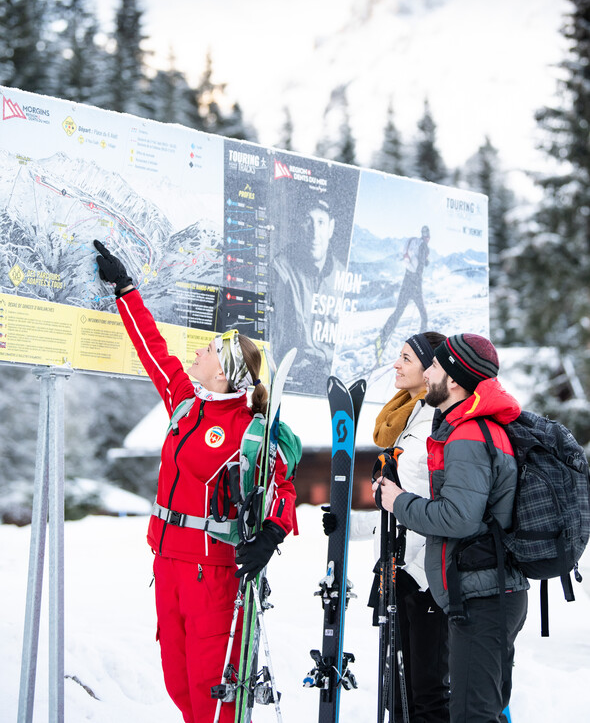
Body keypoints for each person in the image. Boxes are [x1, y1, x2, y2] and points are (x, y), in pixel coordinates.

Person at [93, 240, 297, 723]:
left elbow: (283, 492)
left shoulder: (252, 429)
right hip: (167, 565)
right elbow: (152, 350)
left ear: (225, 372)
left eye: (208, 349)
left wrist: (271, 533)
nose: (198, 350)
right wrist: (126, 290)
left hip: (215, 575)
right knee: (177, 685)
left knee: (214, 697)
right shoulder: (185, 404)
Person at [376, 334, 529, 723]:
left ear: (455, 379)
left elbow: (458, 518)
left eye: (435, 367)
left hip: (482, 595)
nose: (427, 374)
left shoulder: (468, 435)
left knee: (469, 715)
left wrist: (398, 502)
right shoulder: (470, 428)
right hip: (483, 591)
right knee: (476, 711)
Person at [324, 330, 450, 723]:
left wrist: (412, 567)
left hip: (426, 577)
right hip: (401, 570)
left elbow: (433, 508)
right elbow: (397, 506)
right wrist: (350, 525)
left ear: (431, 368)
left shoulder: (437, 424)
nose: (396, 364)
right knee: (396, 691)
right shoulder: (410, 417)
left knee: (425, 692)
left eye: (406, 358)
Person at [271, 193, 345, 391]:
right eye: (308, 221)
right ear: (300, 226)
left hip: (329, 378)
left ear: (331, 228)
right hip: (292, 376)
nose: (314, 232)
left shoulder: (341, 276)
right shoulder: (282, 268)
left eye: (321, 222)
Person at [376, 225, 430, 365]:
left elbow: (419, 262)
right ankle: (421, 350)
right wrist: (418, 282)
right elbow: (420, 266)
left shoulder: (415, 244)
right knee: (424, 316)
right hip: (415, 285)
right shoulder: (424, 246)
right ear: (428, 237)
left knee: (398, 311)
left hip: (406, 281)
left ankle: (381, 338)